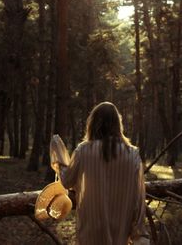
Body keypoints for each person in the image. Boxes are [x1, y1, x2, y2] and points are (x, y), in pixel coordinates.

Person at [57, 102, 149, 245]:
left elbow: (67, 181)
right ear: (118, 124)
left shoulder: (83, 151)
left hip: (90, 231)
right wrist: (138, 233)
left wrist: (59, 160)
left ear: (93, 123)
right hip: (120, 231)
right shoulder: (132, 155)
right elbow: (138, 197)